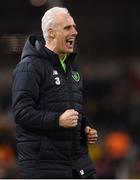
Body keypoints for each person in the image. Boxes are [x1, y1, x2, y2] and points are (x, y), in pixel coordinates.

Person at [12, 6, 98, 179]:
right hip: (45, 165)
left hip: (78, 161)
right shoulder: (29, 67)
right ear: (51, 33)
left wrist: (85, 126)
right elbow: (21, 113)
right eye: (67, 27)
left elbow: (72, 109)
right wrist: (57, 120)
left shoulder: (72, 67)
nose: (75, 31)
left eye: (74, 26)